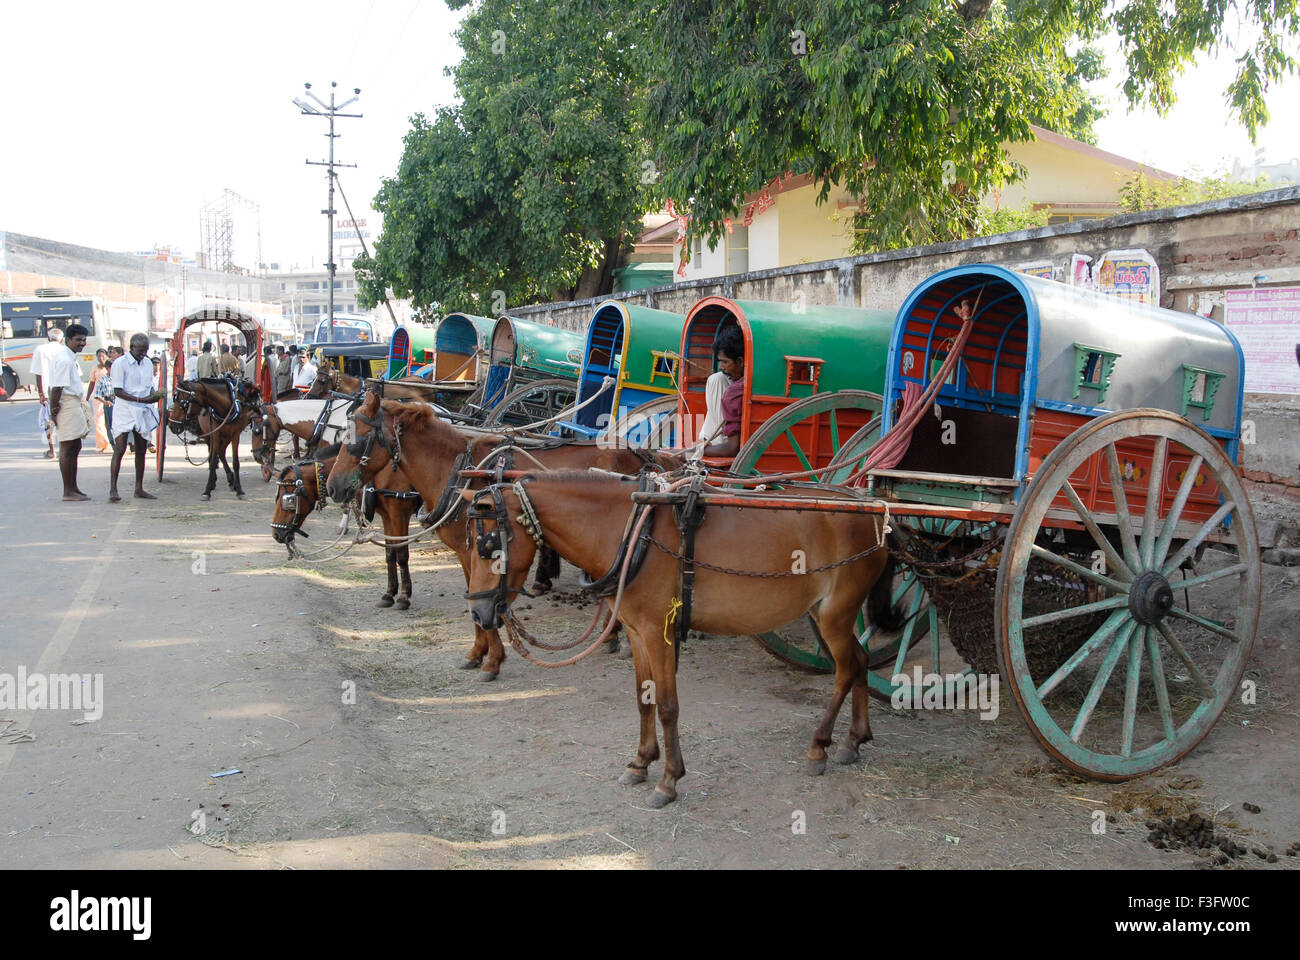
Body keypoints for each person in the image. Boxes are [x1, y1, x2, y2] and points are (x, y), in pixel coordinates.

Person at [108, 333, 164, 502]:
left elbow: (148, 387)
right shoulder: (120, 364)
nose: (143, 354)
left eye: (145, 351)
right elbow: (117, 391)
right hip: (125, 409)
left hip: (142, 409)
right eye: (140, 351)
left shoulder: (147, 362)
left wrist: (154, 395)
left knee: (141, 449)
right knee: (120, 449)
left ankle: (139, 488)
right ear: (131, 348)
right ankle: (113, 489)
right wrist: (140, 399)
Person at [46, 323, 93, 501]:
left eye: (83, 340)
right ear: (68, 340)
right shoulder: (65, 359)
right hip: (66, 404)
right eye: (78, 340)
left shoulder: (69, 356)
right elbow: (57, 388)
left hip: (73, 403)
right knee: (67, 447)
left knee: (75, 446)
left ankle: (74, 487)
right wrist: (53, 410)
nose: (81, 343)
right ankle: (68, 491)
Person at [690, 325, 746, 460]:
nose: (721, 367)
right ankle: (711, 440)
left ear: (740, 361)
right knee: (717, 378)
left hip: (730, 445)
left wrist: (697, 451)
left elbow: (733, 448)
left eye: (725, 362)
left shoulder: (734, 392)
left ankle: (717, 443)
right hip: (711, 437)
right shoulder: (726, 380)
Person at [32, 327, 66, 458]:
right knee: (64, 419)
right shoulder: (65, 350)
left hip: (48, 392)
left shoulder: (40, 350)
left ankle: (52, 450)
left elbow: (38, 373)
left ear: (48, 338)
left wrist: (41, 394)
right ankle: (64, 448)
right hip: (65, 392)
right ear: (62, 340)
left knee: (48, 421)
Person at [87, 349, 114, 453]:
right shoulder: (95, 368)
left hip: (110, 397)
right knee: (98, 421)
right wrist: (87, 397)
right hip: (98, 398)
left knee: (110, 421)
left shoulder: (111, 367)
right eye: (98, 356)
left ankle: (113, 441)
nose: (100, 358)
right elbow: (92, 383)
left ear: (106, 356)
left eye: (103, 356)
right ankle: (102, 443)